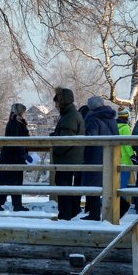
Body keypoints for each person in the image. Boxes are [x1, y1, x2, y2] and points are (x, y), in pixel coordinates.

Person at [82, 96, 121, 220]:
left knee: (93, 184)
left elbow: (90, 138)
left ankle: (94, 213)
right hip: (110, 155)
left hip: (95, 154)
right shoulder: (112, 118)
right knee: (109, 184)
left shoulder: (92, 118)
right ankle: (120, 207)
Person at [51, 88, 85, 220]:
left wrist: (56, 149)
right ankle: (71, 210)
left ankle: (65, 214)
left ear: (62, 102)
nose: (55, 106)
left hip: (67, 158)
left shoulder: (69, 116)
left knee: (63, 185)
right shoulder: (71, 114)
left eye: (56, 103)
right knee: (64, 186)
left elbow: (65, 140)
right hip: (72, 157)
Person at [0, 103, 30, 212]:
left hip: (15, 155)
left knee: (14, 180)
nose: (23, 113)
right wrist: (23, 153)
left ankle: (14, 204)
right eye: (22, 111)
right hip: (11, 155)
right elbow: (14, 140)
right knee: (8, 180)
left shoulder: (17, 121)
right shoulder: (14, 122)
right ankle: (0, 203)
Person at [117, 106, 134, 214]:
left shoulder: (115, 127)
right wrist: (133, 155)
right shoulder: (126, 128)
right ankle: (121, 205)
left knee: (116, 183)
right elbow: (128, 144)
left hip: (116, 159)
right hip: (125, 160)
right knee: (122, 185)